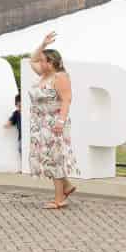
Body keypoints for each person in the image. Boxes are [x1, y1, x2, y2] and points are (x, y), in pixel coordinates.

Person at [25, 35, 77, 211]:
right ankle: (67, 186)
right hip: (40, 123)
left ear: (51, 62)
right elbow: (32, 59)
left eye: (43, 61)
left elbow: (66, 99)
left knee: (54, 159)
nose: (40, 63)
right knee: (45, 159)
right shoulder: (43, 75)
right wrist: (43, 44)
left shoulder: (59, 77)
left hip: (54, 122)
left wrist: (61, 121)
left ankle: (59, 199)